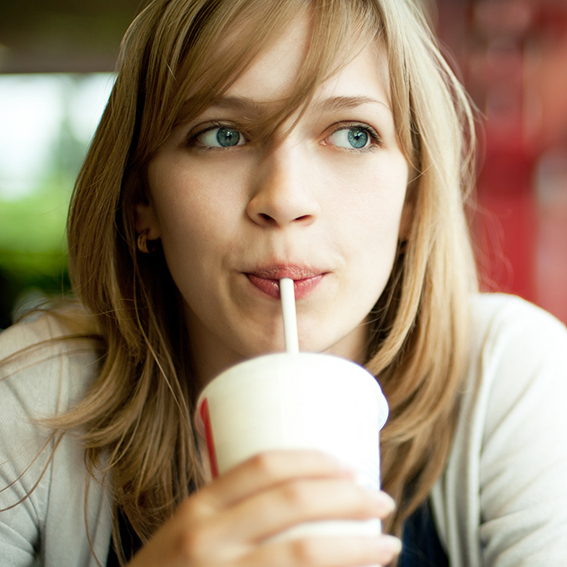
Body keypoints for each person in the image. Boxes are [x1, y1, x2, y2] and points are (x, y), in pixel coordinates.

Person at [1, 0, 567, 566]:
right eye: (222, 134)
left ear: (412, 201)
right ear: (140, 200)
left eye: (352, 135)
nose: (285, 199)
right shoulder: (27, 403)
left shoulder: (509, 379)